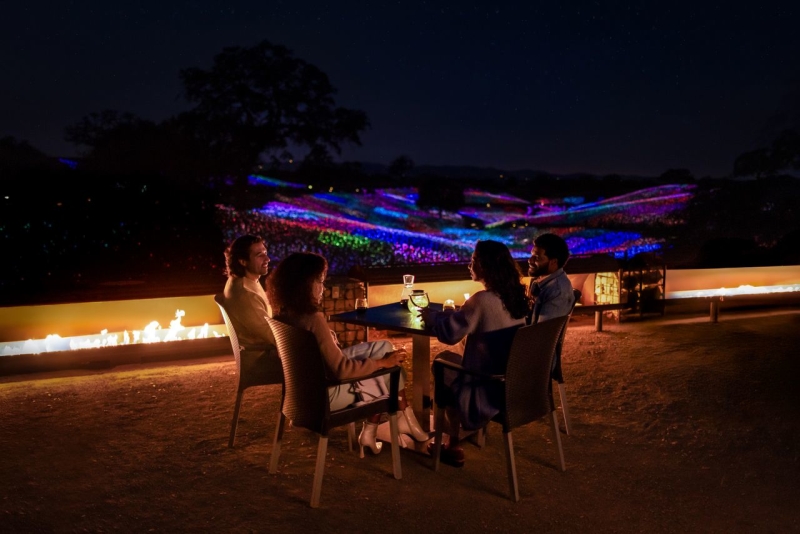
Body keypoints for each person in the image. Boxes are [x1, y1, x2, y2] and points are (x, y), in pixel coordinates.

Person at [265, 251, 430, 457]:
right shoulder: (313, 319)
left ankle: (377, 430)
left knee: (386, 351)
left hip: (303, 396)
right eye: (319, 281)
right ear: (304, 284)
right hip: (331, 399)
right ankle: (397, 421)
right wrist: (381, 364)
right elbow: (342, 371)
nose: (323, 288)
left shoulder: (282, 315)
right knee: (391, 374)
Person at [420, 240, 530, 467]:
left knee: (442, 363)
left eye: (473, 261)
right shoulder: (514, 298)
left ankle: (452, 444)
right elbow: (463, 321)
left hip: (483, 389)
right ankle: (456, 438)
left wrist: (432, 318)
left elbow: (450, 334)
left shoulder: (481, 301)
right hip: (508, 384)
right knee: (456, 360)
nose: (469, 265)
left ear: (486, 266)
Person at [222, 234, 280, 363]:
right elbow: (271, 335)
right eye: (259, 255)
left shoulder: (244, 281)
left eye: (265, 253)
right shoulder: (246, 294)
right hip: (260, 356)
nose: (268, 259)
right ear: (243, 261)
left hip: (262, 349)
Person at [527, 233, 575, 324]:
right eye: (531, 255)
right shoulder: (542, 281)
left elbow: (544, 333)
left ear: (553, 262)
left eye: (536, 257)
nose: (530, 260)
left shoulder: (556, 291)